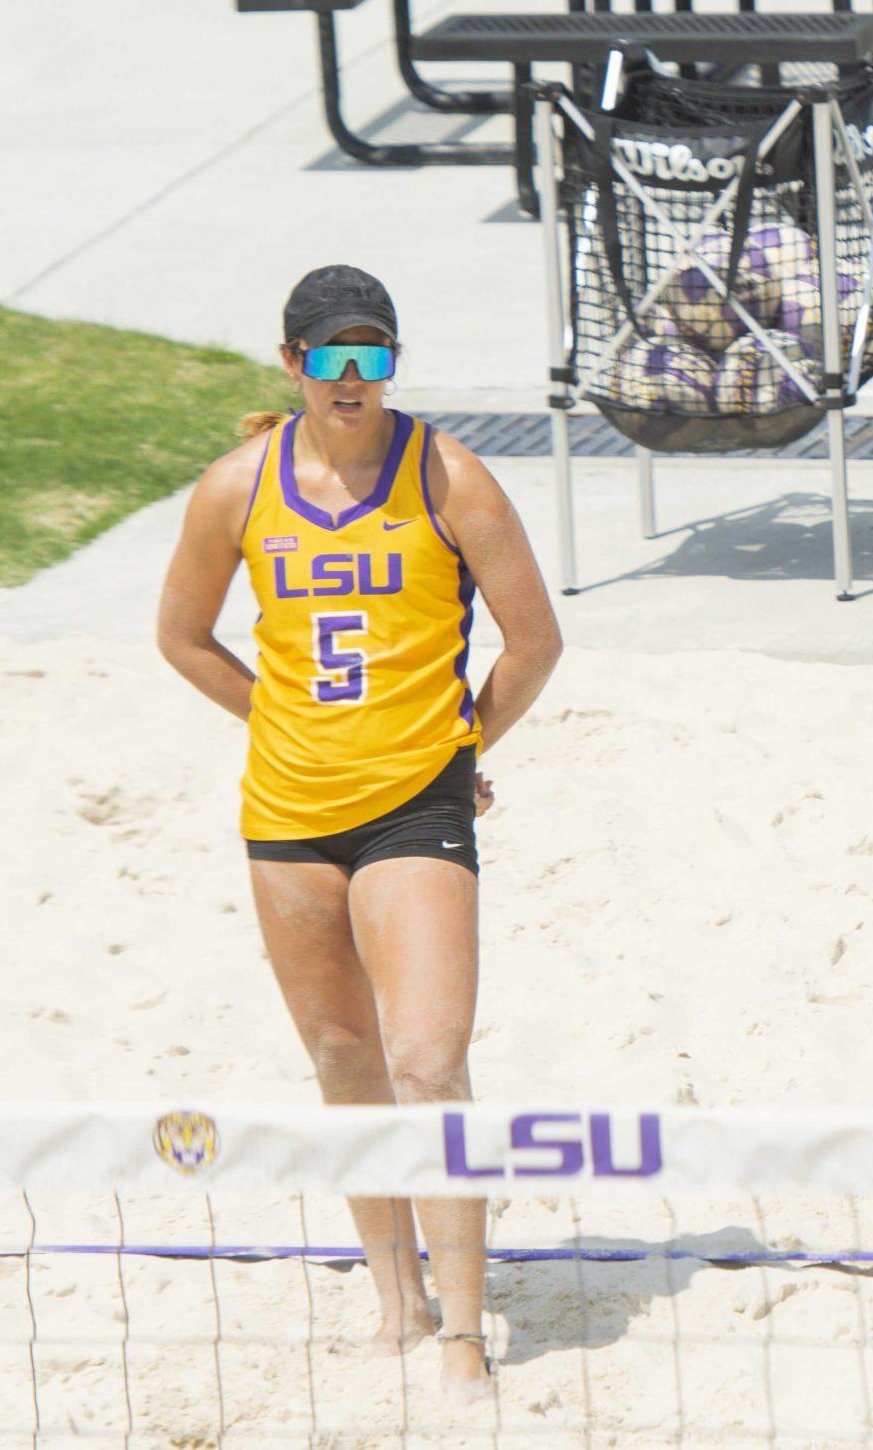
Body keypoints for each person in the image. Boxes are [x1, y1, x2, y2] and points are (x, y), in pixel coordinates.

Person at [155, 266, 562, 1398]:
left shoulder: (451, 477)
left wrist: (464, 745)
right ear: (291, 365)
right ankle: (397, 1303)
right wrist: (276, 717)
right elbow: (184, 637)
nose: (350, 377)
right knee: (344, 1061)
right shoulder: (238, 487)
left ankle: (467, 1334)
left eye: (370, 355)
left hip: (414, 802)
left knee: (428, 1060)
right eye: (328, 356)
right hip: (287, 808)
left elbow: (533, 643)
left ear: (392, 365)